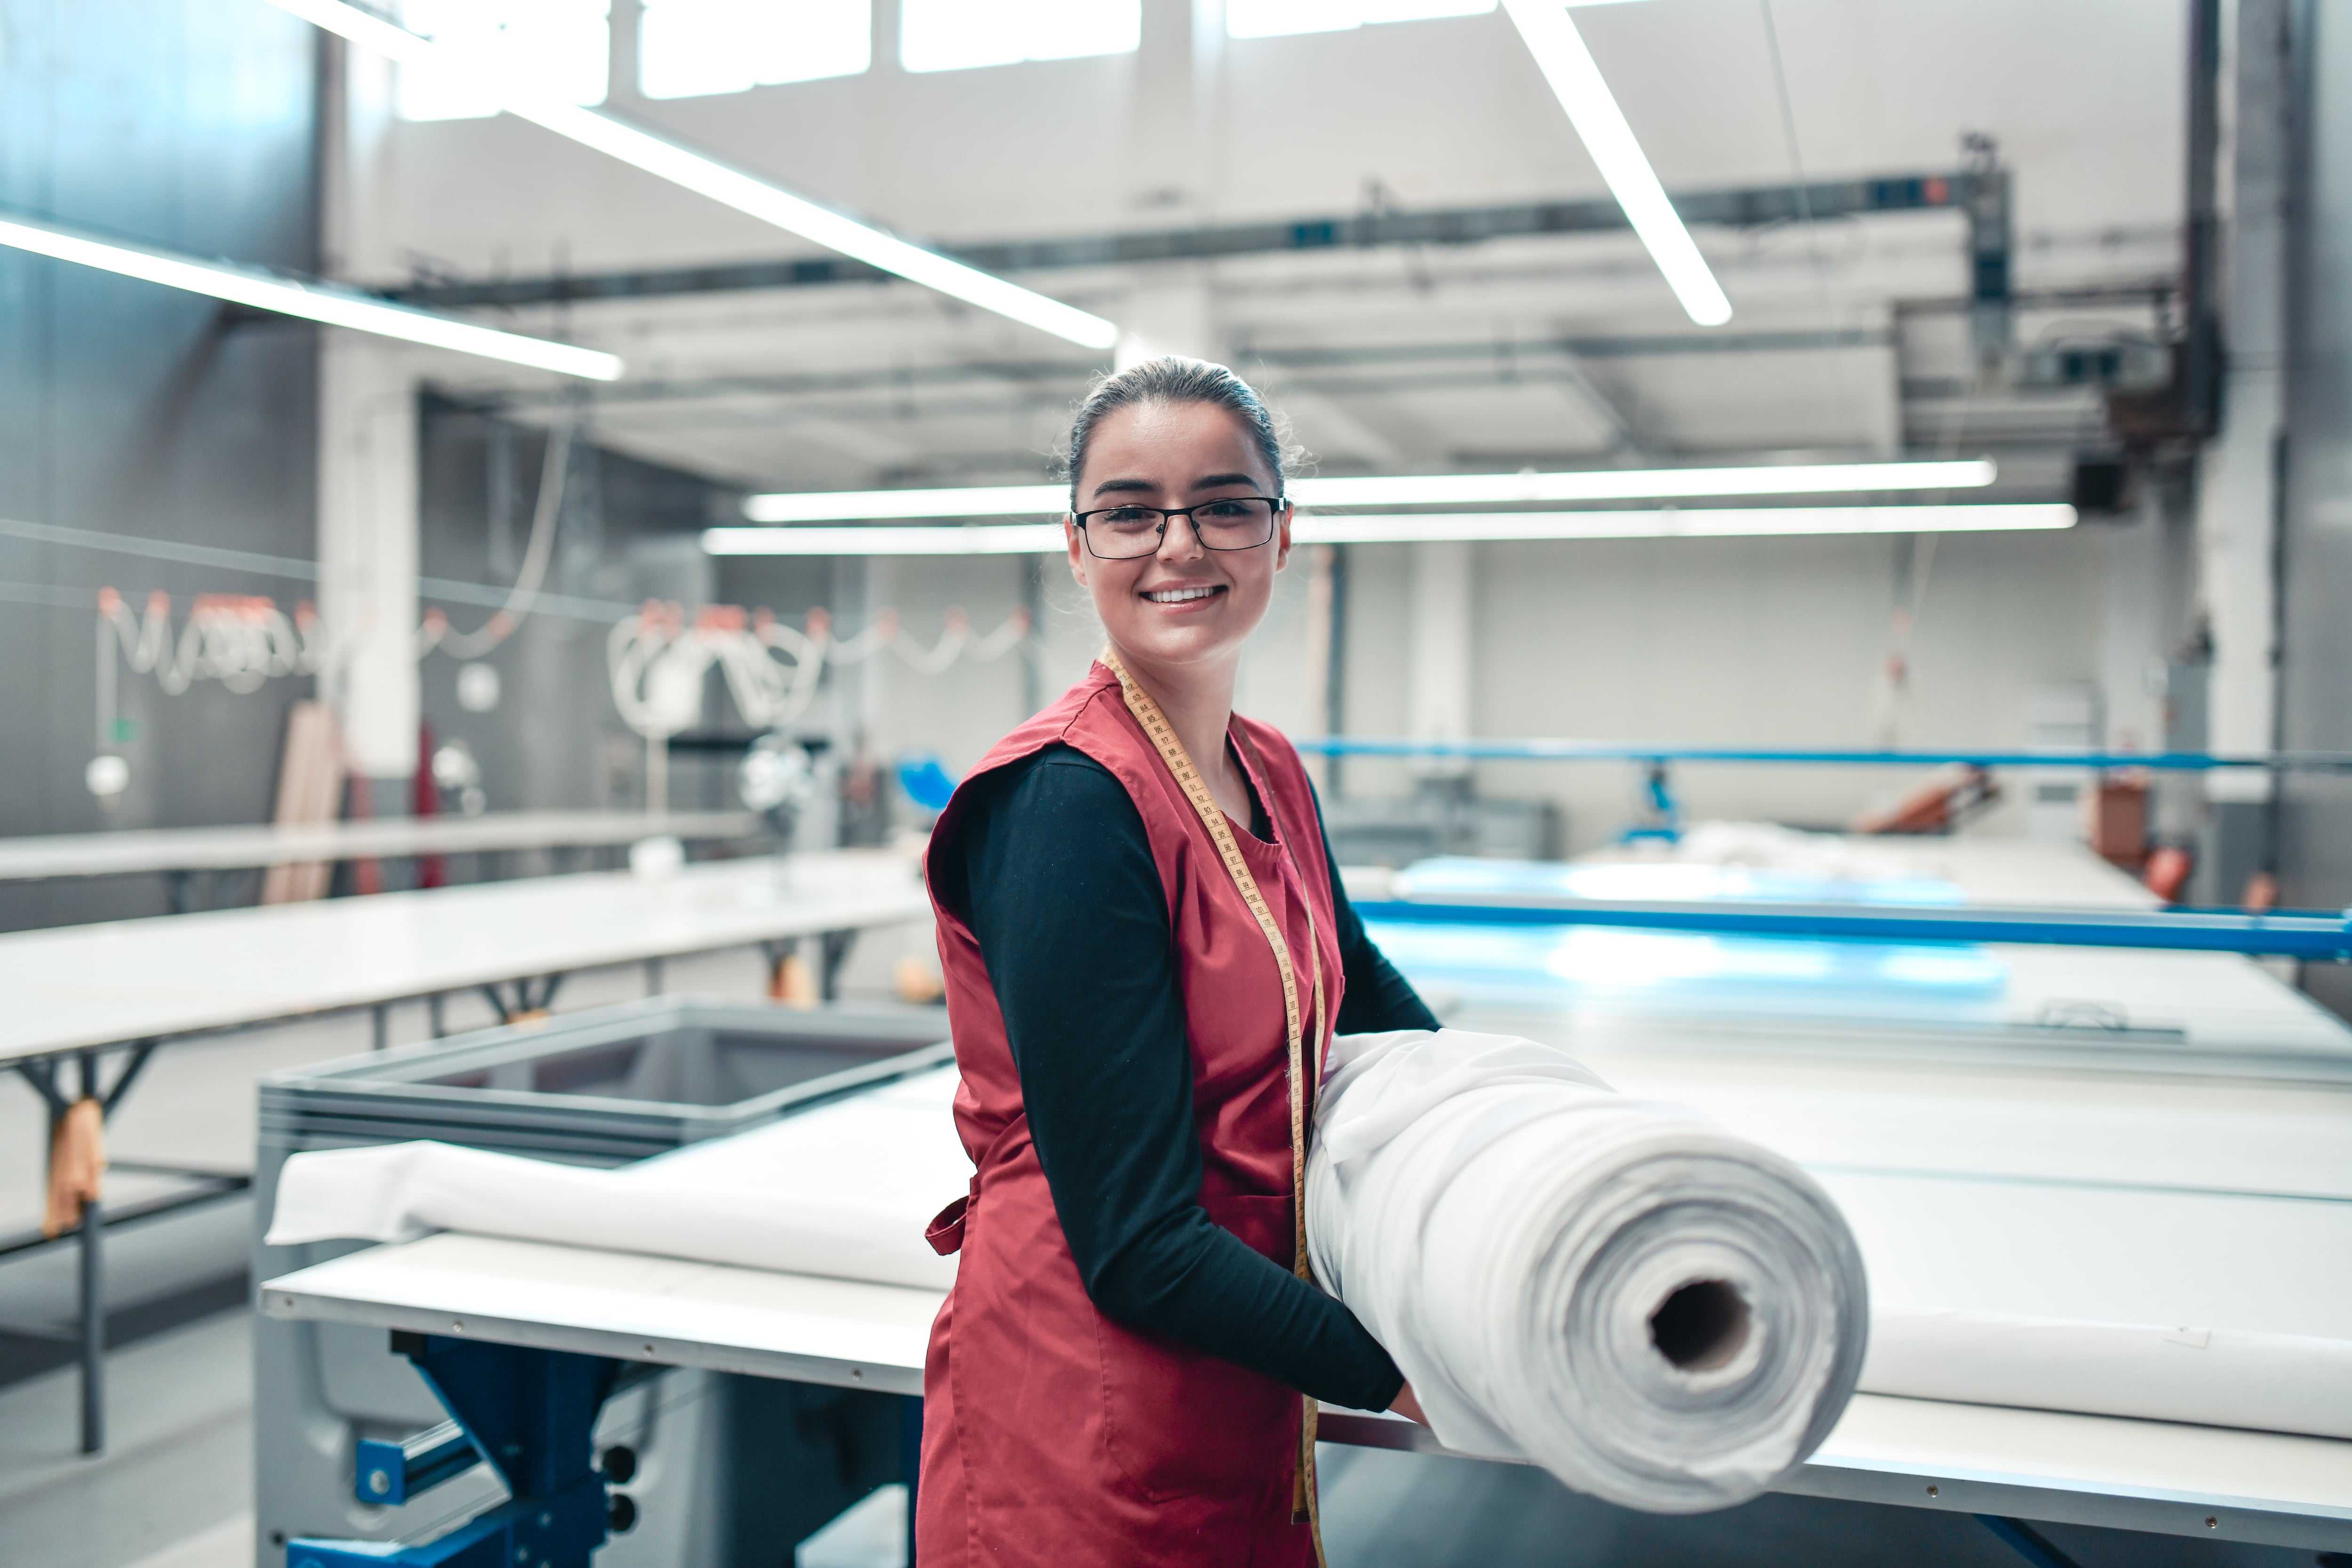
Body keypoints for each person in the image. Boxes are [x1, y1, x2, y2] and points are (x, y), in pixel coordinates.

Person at [917, 357, 1436, 1567]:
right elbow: (1136, 1240)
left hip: (1239, 1360)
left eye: (1223, 503)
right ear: (1076, 543)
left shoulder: (1269, 767)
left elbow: (1359, 993)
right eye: (1131, 510)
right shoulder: (1066, 801)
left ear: (1281, 531)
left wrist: (1525, 1153)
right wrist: (1408, 1375)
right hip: (1086, 1403)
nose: (1179, 544)